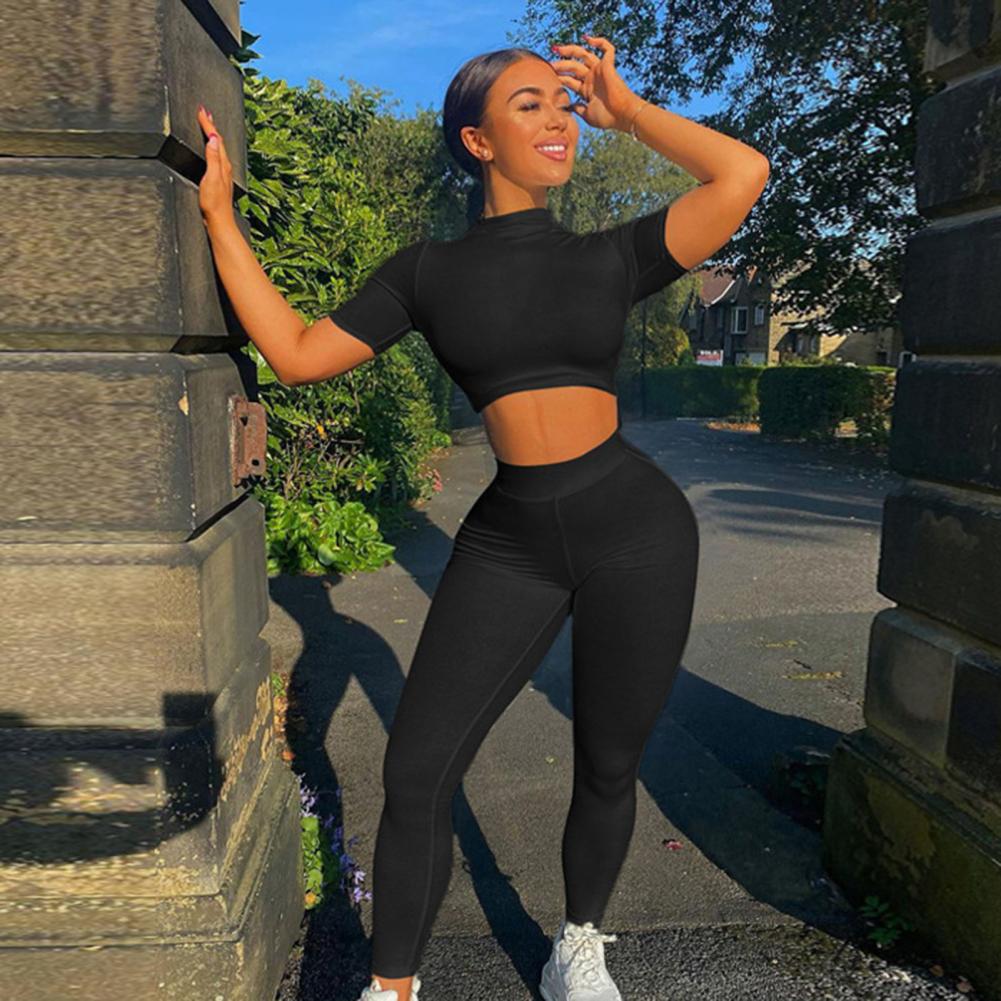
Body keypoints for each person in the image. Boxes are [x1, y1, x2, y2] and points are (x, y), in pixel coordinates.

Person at [197, 32, 768, 1001]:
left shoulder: (612, 255)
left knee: (607, 761)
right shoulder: (426, 272)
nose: (559, 122)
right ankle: (391, 986)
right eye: (528, 105)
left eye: (564, 105)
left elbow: (740, 172)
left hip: (635, 529)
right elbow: (293, 354)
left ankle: (576, 944)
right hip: (511, 541)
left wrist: (627, 111)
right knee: (417, 768)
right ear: (475, 140)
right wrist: (218, 216)